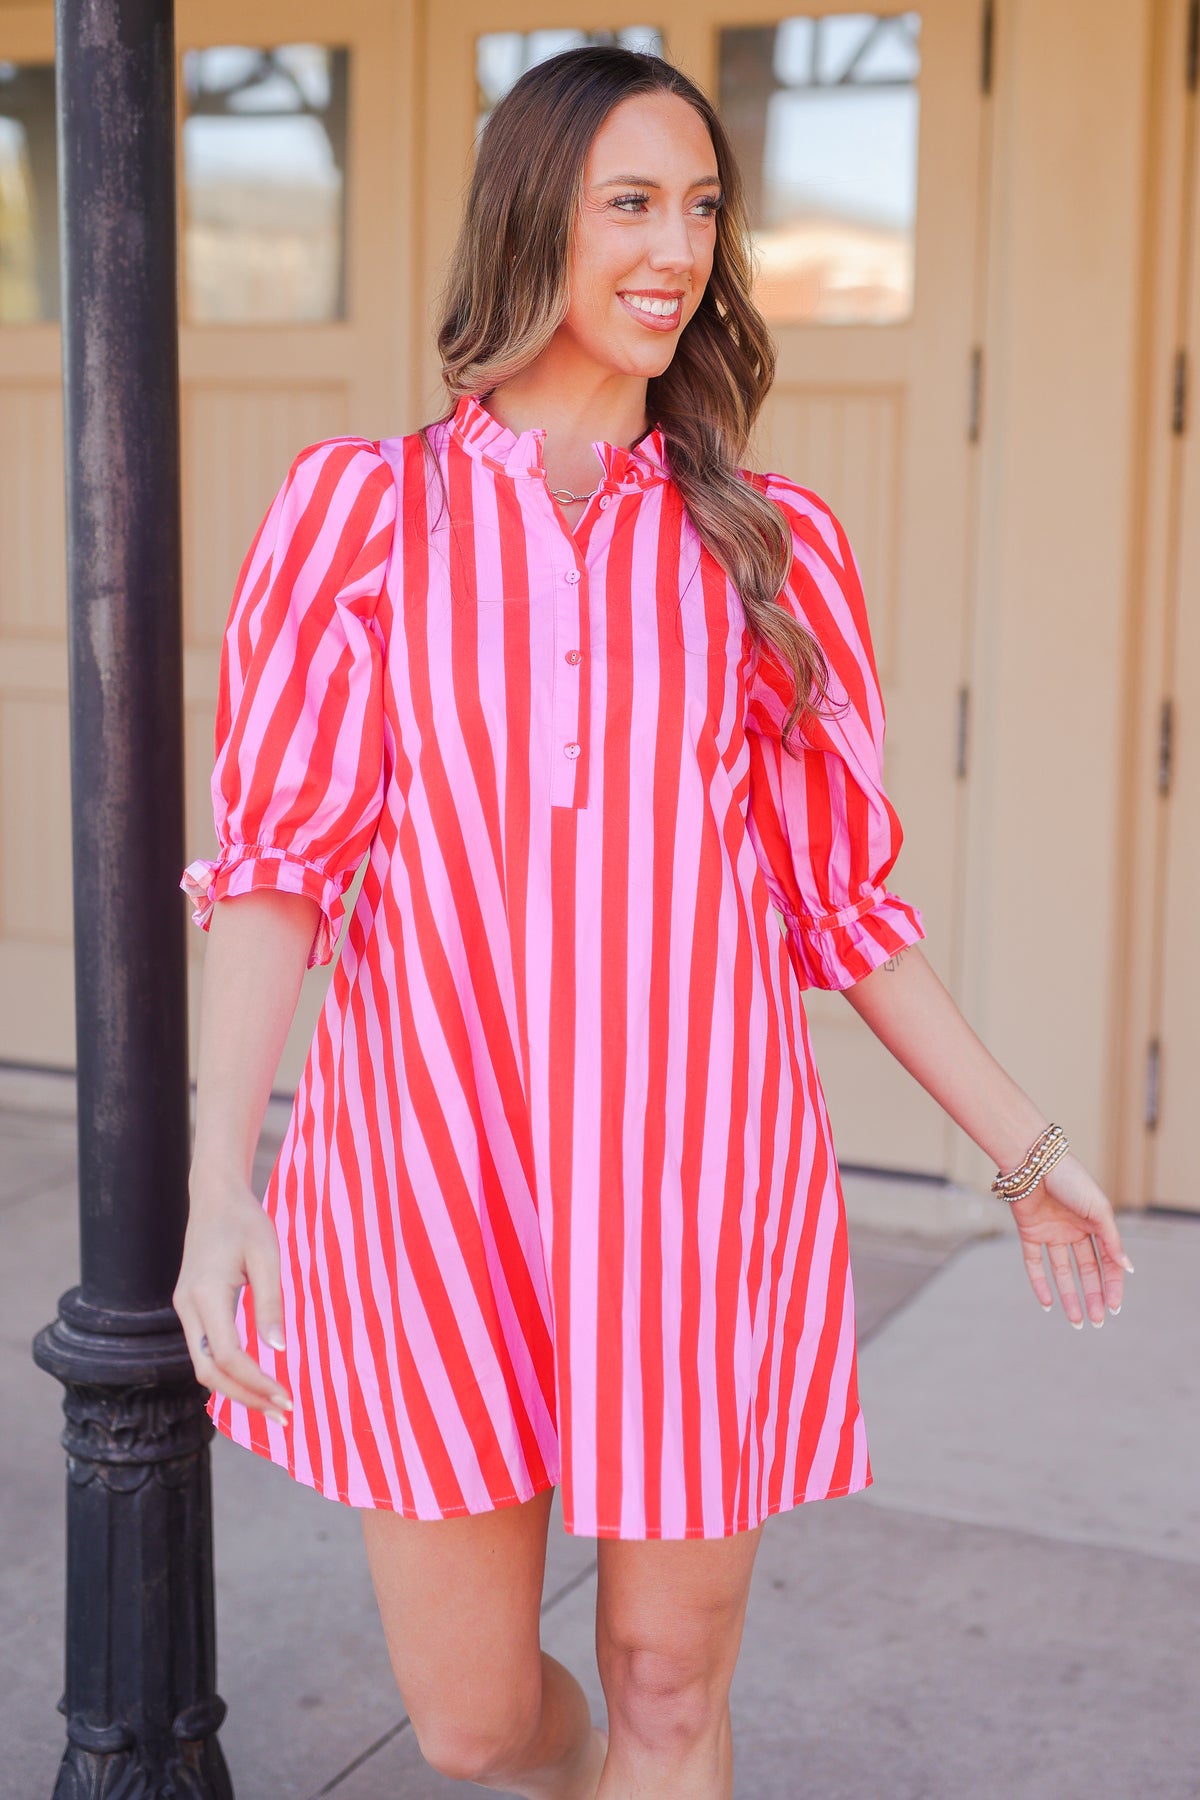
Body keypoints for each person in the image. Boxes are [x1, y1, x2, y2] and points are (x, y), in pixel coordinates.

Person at [172, 44, 1134, 1800]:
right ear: (530, 216)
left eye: (702, 209)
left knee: (671, 1696)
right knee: (470, 1726)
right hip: (425, 1181)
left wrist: (1021, 1147)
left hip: (698, 1192)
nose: (674, 248)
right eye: (630, 202)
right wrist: (221, 1189)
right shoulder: (359, 516)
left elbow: (844, 906)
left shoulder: (771, 547)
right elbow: (273, 871)